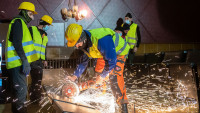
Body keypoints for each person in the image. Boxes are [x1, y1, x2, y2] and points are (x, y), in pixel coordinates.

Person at [65, 23, 130, 113]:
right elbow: (83, 63)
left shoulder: (102, 39)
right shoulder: (84, 45)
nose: (76, 46)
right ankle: (93, 93)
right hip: (103, 54)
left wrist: (103, 75)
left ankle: (123, 106)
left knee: (114, 77)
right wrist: (74, 76)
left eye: (77, 43)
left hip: (119, 53)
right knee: (97, 77)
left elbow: (112, 60)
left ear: (82, 38)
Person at [5, 2, 38, 113]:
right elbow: (17, 43)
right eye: (30, 13)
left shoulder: (21, 24)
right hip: (17, 64)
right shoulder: (18, 22)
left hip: (18, 64)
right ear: (24, 12)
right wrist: (24, 60)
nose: (31, 17)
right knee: (21, 92)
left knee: (17, 93)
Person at [29, 15, 53, 103]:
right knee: (36, 80)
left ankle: (35, 97)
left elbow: (44, 48)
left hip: (40, 61)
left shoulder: (45, 34)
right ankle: (36, 99)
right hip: (32, 59)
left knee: (38, 80)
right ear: (44, 24)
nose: (48, 27)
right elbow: (27, 44)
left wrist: (45, 59)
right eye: (48, 25)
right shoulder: (32, 30)